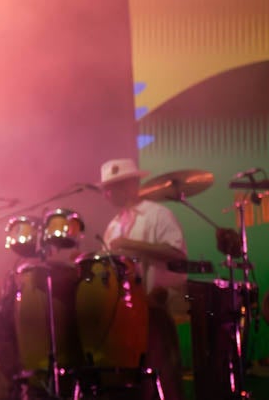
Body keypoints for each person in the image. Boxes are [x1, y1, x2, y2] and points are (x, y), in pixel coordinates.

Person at [98, 157, 187, 400]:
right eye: (106, 188)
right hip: (123, 319)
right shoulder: (113, 226)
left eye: (112, 187)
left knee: (161, 382)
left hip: (154, 310)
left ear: (132, 185)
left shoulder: (158, 215)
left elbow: (177, 254)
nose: (107, 193)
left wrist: (132, 245)